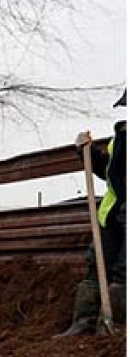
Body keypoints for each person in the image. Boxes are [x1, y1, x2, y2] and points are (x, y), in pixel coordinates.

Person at [59, 90, 127, 336]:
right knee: (96, 266)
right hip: (112, 214)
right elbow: (112, 173)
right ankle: (84, 321)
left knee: (124, 270)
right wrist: (88, 153)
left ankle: (117, 327)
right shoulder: (121, 136)